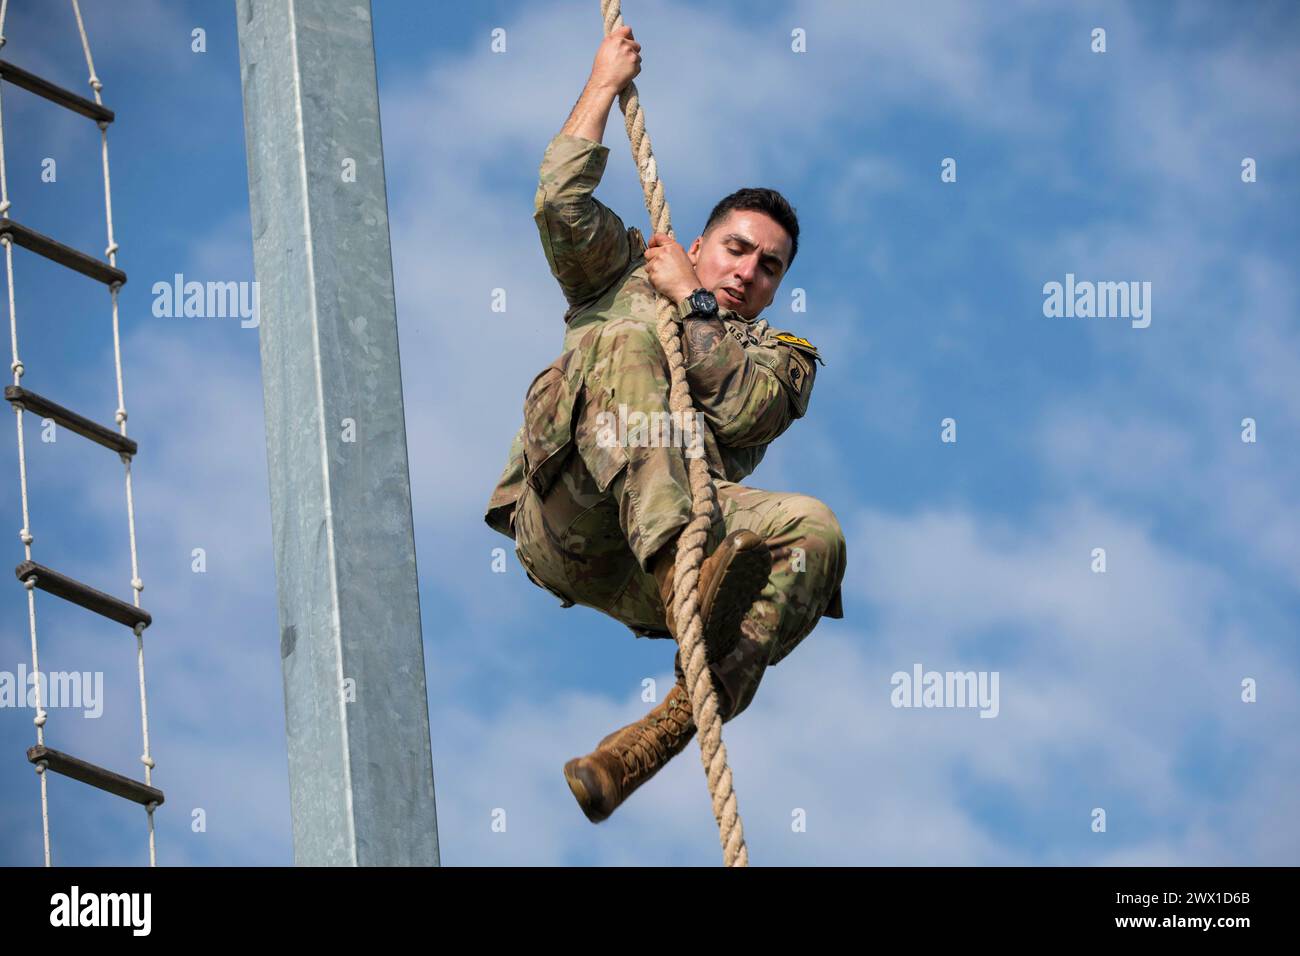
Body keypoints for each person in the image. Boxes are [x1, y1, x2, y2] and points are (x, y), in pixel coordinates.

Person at [484, 24, 847, 823]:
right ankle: (676, 569)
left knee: (817, 530)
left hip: (687, 545)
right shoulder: (627, 274)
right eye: (735, 249)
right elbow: (559, 203)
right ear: (695, 243)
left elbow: (744, 407)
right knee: (625, 338)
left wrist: (697, 301)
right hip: (572, 517)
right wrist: (604, 86)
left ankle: (670, 724)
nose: (748, 271)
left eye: (768, 266)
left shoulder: (782, 358)